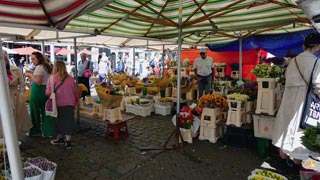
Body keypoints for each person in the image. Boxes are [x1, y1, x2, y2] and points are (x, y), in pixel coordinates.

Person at [272, 33, 320, 169]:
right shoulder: (316, 62)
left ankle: (282, 160)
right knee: (300, 131)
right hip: (303, 102)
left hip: (288, 99)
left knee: (285, 127)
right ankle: (296, 165)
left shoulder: (294, 61)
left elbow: (287, 77)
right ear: (317, 46)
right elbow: (318, 86)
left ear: (304, 45)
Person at [47, 60, 78, 150]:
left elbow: (48, 93)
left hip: (57, 104)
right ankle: (68, 142)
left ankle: (60, 138)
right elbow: (75, 92)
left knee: (57, 122)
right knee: (68, 122)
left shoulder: (51, 78)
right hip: (69, 103)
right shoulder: (71, 79)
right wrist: (75, 102)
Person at [0, 50, 31, 137]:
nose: (4, 62)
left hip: (15, 97)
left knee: (15, 119)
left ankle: (14, 138)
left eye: (5, 59)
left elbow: (22, 83)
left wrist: (21, 95)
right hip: (2, 98)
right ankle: (4, 139)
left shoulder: (15, 69)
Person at [25, 51, 54, 137]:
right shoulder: (47, 66)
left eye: (33, 59)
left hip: (38, 91)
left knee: (34, 112)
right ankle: (48, 132)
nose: (32, 61)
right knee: (47, 112)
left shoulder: (39, 67)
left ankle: (35, 131)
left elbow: (38, 82)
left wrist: (29, 75)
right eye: (31, 59)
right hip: (46, 91)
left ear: (39, 58)